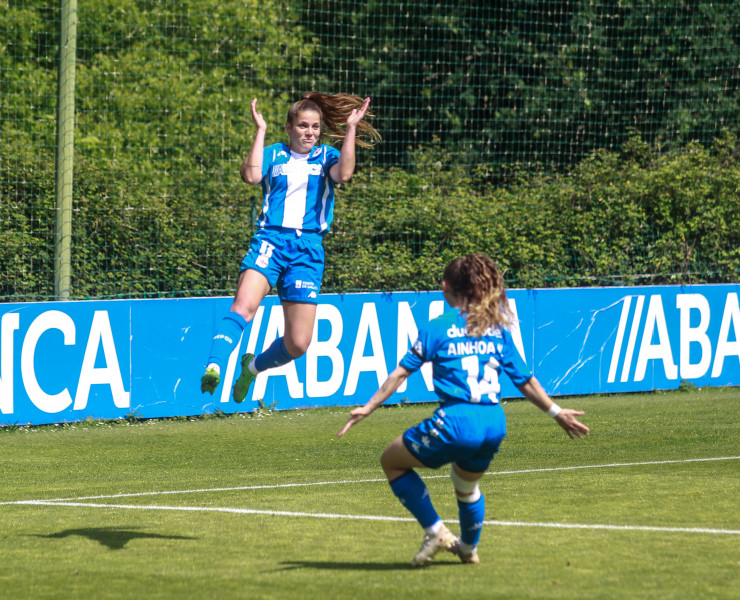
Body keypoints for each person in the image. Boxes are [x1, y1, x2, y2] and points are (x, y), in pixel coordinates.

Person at [337, 253, 589, 567]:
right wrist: (556, 411)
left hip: (456, 420)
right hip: (494, 422)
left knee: (391, 461)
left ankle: (436, 532)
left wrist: (368, 408)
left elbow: (400, 373)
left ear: (447, 286)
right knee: (466, 487)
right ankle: (468, 548)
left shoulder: (438, 327)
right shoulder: (495, 329)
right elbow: (525, 381)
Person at [200, 92, 380, 402]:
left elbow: (345, 174)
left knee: (298, 343)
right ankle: (214, 365)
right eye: (302, 126)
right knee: (243, 307)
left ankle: (252, 368)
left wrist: (351, 128)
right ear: (289, 127)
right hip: (270, 241)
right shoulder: (274, 154)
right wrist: (259, 131)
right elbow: (251, 176)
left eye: (315, 127)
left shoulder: (326, 157)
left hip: (307, 251)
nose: (309, 132)